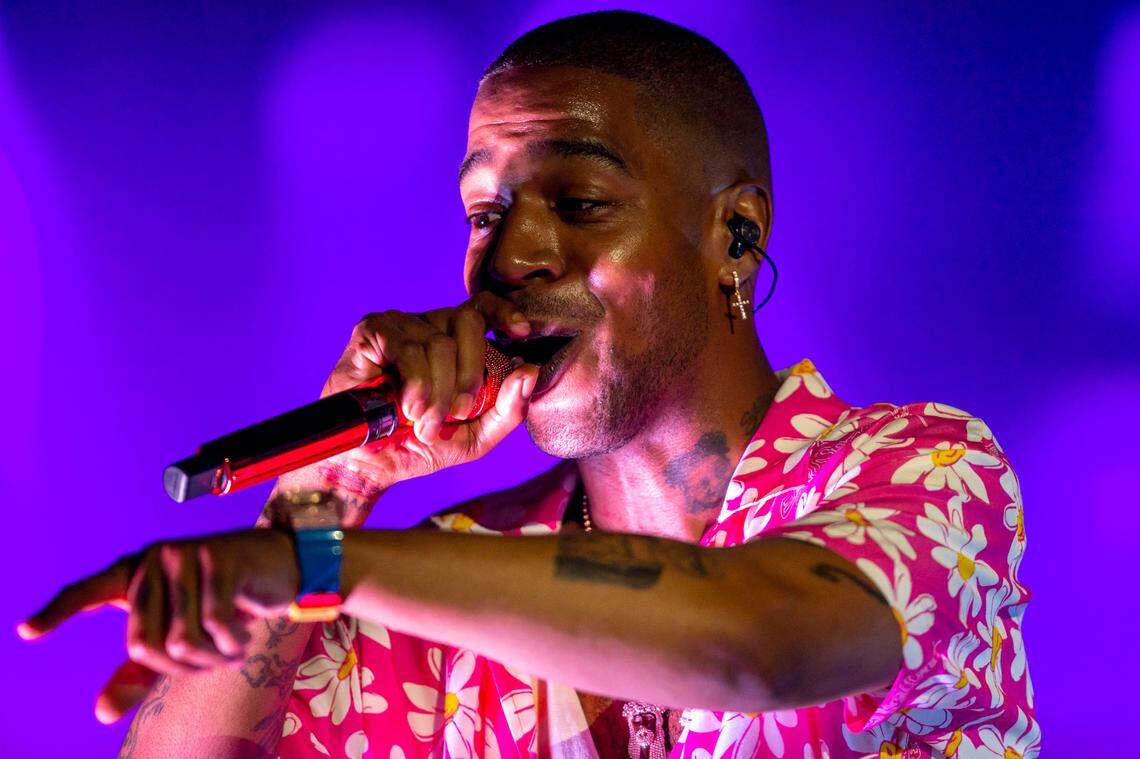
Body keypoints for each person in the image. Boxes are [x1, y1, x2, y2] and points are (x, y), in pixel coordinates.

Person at [19, 11, 1038, 759]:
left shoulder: (924, 470)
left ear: (735, 235)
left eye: (581, 201)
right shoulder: (455, 571)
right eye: (483, 213)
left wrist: (321, 564)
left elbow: (759, 643)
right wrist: (321, 497)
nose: (509, 257)